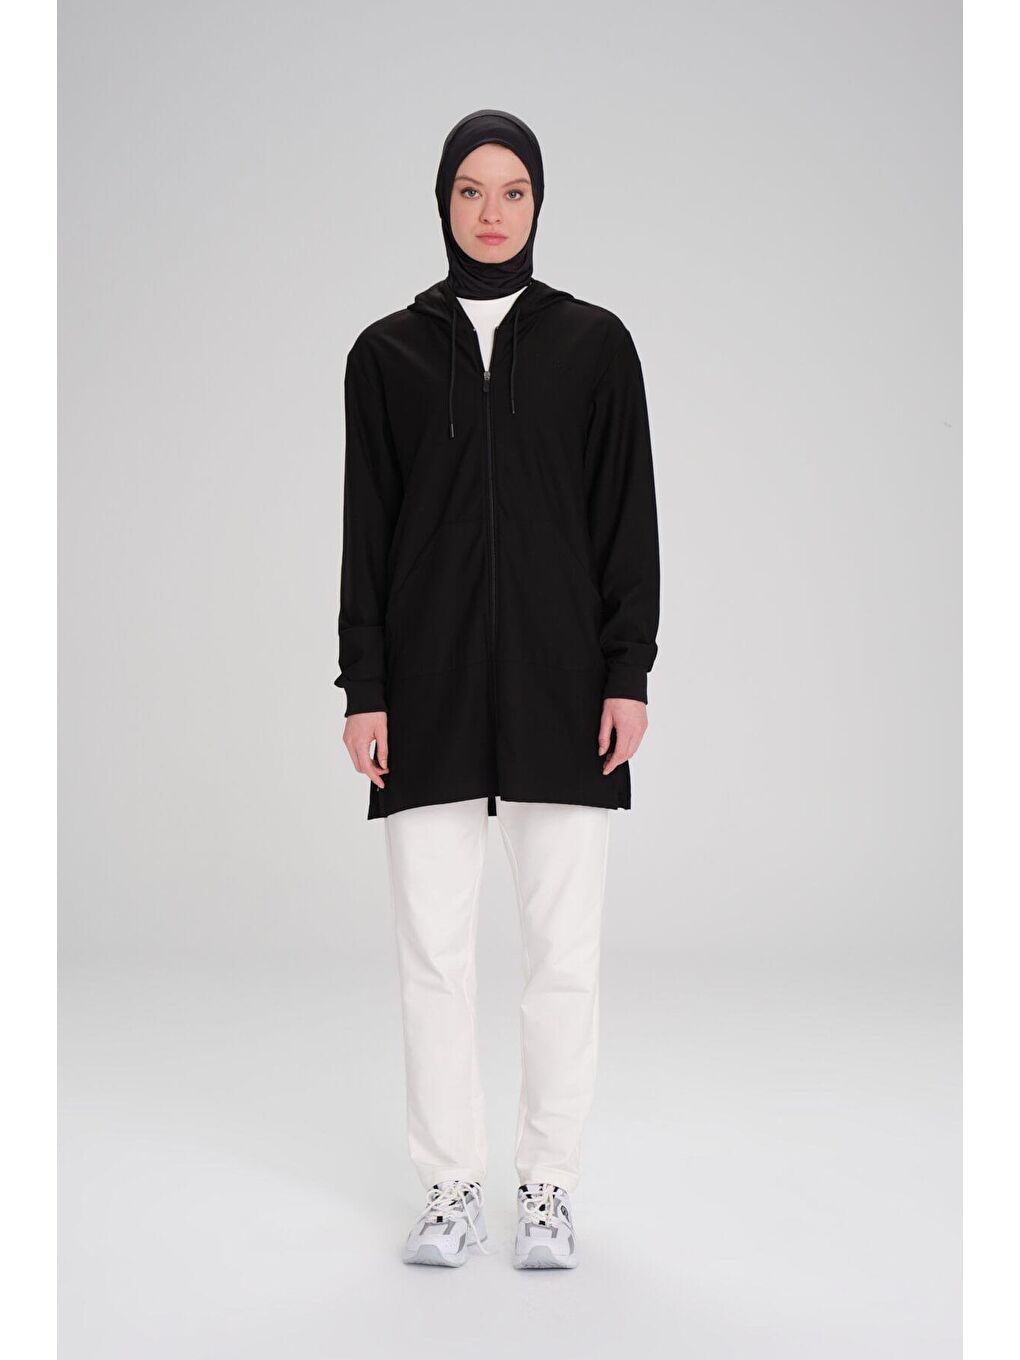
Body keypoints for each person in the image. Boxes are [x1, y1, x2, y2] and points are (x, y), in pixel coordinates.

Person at [334, 109, 660, 1269]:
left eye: (512, 190)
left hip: (565, 693)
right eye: (470, 189)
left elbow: (627, 521)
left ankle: (549, 1185)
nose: (490, 210)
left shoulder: (595, 345)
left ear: (537, 203)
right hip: (424, 694)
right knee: (433, 954)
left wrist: (627, 672)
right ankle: (449, 1187)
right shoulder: (386, 354)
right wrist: (364, 686)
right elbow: (365, 531)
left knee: (563, 955)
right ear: (442, 202)